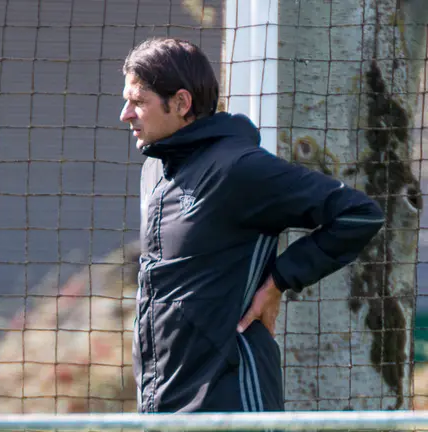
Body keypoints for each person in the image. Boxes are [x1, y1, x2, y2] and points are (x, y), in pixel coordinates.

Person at [119, 38, 384, 413]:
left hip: (233, 402)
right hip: (163, 406)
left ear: (181, 103)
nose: (125, 114)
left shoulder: (238, 167)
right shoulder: (154, 171)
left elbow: (358, 214)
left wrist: (280, 281)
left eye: (138, 102)